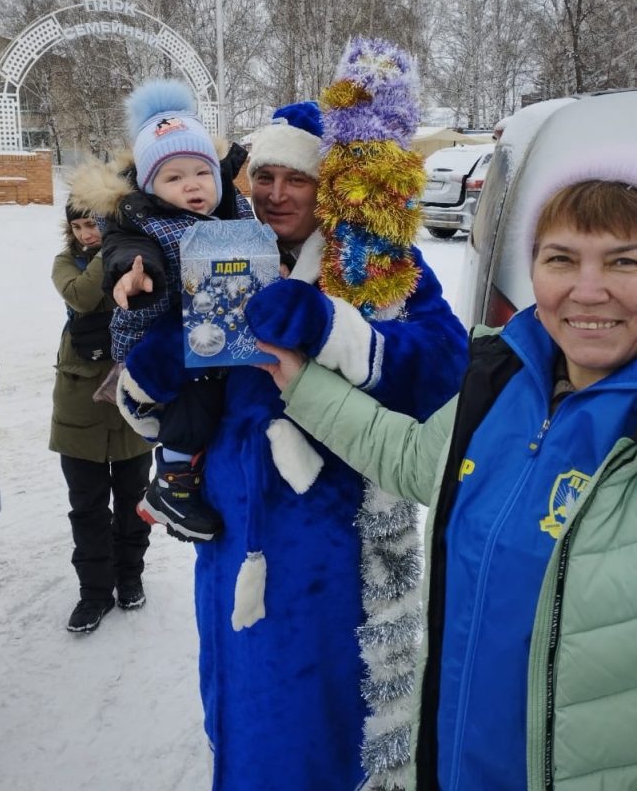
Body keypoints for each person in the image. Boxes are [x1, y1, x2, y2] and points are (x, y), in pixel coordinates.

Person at [123, 82, 470, 790]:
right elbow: (163, 404)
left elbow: (442, 363)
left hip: (333, 549)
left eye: (298, 179)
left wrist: (326, 326)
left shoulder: (373, 264)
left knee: (321, 727)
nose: (277, 194)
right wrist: (154, 368)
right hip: (227, 534)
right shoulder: (211, 249)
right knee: (241, 712)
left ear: (327, 188)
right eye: (265, 177)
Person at [258, 163, 637, 791]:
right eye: (562, 259)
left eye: (624, 262)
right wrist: (301, 383)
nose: (588, 290)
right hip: (459, 761)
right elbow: (412, 459)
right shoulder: (500, 383)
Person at [95, 77, 253, 543]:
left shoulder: (232, 210)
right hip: (154, 325)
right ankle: (172, 484)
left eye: (201, 173)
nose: (192, 186)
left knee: (219, 394)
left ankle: (194, 469)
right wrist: (135, 276)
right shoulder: (141, 220)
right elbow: (121, 251)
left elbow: (256, 251)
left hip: (213, 327)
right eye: (174, 177)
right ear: (150, 185)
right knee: (197, 396)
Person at [49, 184, 152, 635]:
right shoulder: (65, 264)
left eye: (96, 223)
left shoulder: (138, 257)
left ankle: (130, 577)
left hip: (132, 397)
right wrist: (109, 250)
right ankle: (94, 592)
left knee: (133, 501)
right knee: (87, 507)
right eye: (79, 225)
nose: (87, 233)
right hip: (79, 403)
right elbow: (84, 298)